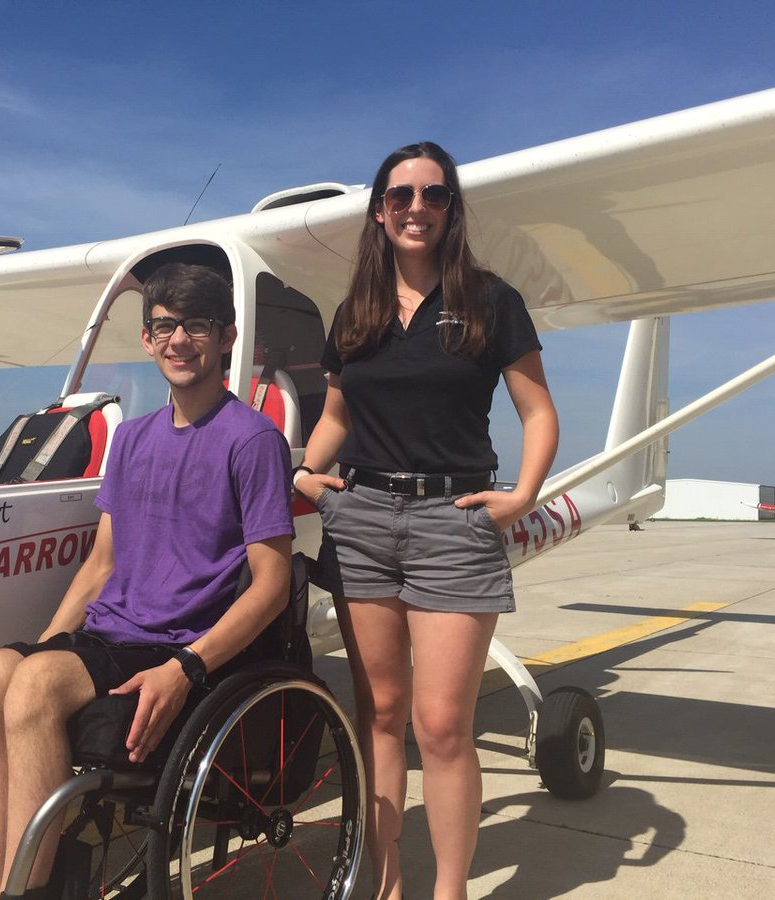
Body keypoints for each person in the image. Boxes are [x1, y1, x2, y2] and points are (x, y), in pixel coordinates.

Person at [0, 262, 294, 900]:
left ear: (225, 337)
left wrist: (186, 668)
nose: (178, 340)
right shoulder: (132, 440)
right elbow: (101, 565)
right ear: (146, 339)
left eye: (197, 325)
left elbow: (272, 585)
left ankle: (25, 894)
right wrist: (48, 642)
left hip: (178, 644)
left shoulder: (252, 441)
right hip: (111, 636)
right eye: (164, 327)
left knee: (33, 687)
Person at [293, 142, 558, 900]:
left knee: (441, 726)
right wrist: (305, 472)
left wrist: (523, 494)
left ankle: (449, 890)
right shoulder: (356, 312)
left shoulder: (490, 301)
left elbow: (537, 411)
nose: (417, 207)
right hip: (363, 521)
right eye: (400, 195)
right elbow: (337, 413)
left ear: (451, 209)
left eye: (433, 195)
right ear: (379, 211)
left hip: (454, 521)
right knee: (379, 713)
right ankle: (385, 885)